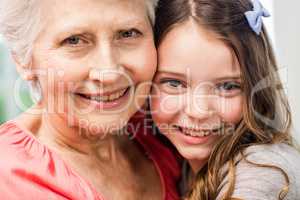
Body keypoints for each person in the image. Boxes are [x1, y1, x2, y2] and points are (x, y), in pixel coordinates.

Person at [0, 0, 180, 199]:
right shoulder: (9, 176)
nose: (109, 72)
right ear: (22, 60)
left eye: (128, 33)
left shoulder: (166, 134)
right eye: (74, 40)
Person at [150, 0, 300, 199]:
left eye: (227, 87)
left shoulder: (265, 171)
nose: (199, 111)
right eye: (174, 83)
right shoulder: (174, 163)